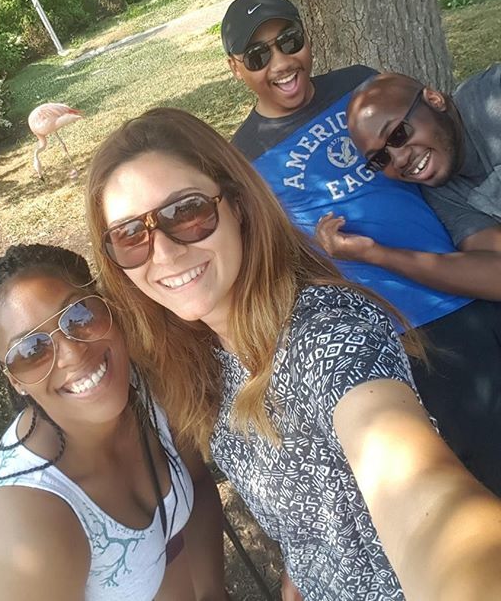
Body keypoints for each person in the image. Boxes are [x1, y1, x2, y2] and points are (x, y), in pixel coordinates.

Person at [85, 107, 501, 601]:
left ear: (237, 205)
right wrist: (300, 573)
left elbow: (429, 506)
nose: (166, 253)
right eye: (131, 235)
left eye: (187, 212)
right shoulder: (207, 359)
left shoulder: (326, 335)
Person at [219, 0, 501, 495]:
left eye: (289, 40)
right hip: (405, 328)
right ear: (237, 68)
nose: (282, 62)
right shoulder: (245, 162)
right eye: (259, 55)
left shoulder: (359, 84)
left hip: (469, 273)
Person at [0, 243, 227, 601]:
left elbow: (194, 480)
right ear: (15, 380)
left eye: (79, 315)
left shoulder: (147, 387)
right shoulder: (24, 523)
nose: (73, 354)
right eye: (31, 351)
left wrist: (212, 592)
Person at [330, 68, 501, 298]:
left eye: (398, 134)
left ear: (434, 100)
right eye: (381, 159)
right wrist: (376, 254)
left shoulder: (491, 99)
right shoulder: (441, 192)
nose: (399, 159)